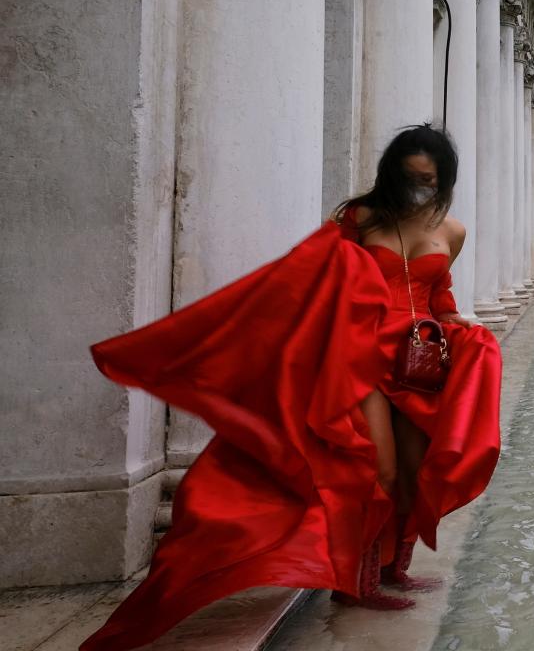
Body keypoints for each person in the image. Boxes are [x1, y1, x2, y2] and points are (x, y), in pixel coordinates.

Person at [82, 126, 503, 651]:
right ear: (392, 174)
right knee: (378, 468)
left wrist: (461, 327)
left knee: (414, 473)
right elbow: (312, 276)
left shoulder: (452, 230)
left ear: (443, 180)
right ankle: (357, 585)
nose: (419, 187)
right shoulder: (360, 218)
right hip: (359, 356)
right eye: (410, 177)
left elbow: (439, 295)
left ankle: (395, 568)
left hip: (417, 362)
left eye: (429, 180)